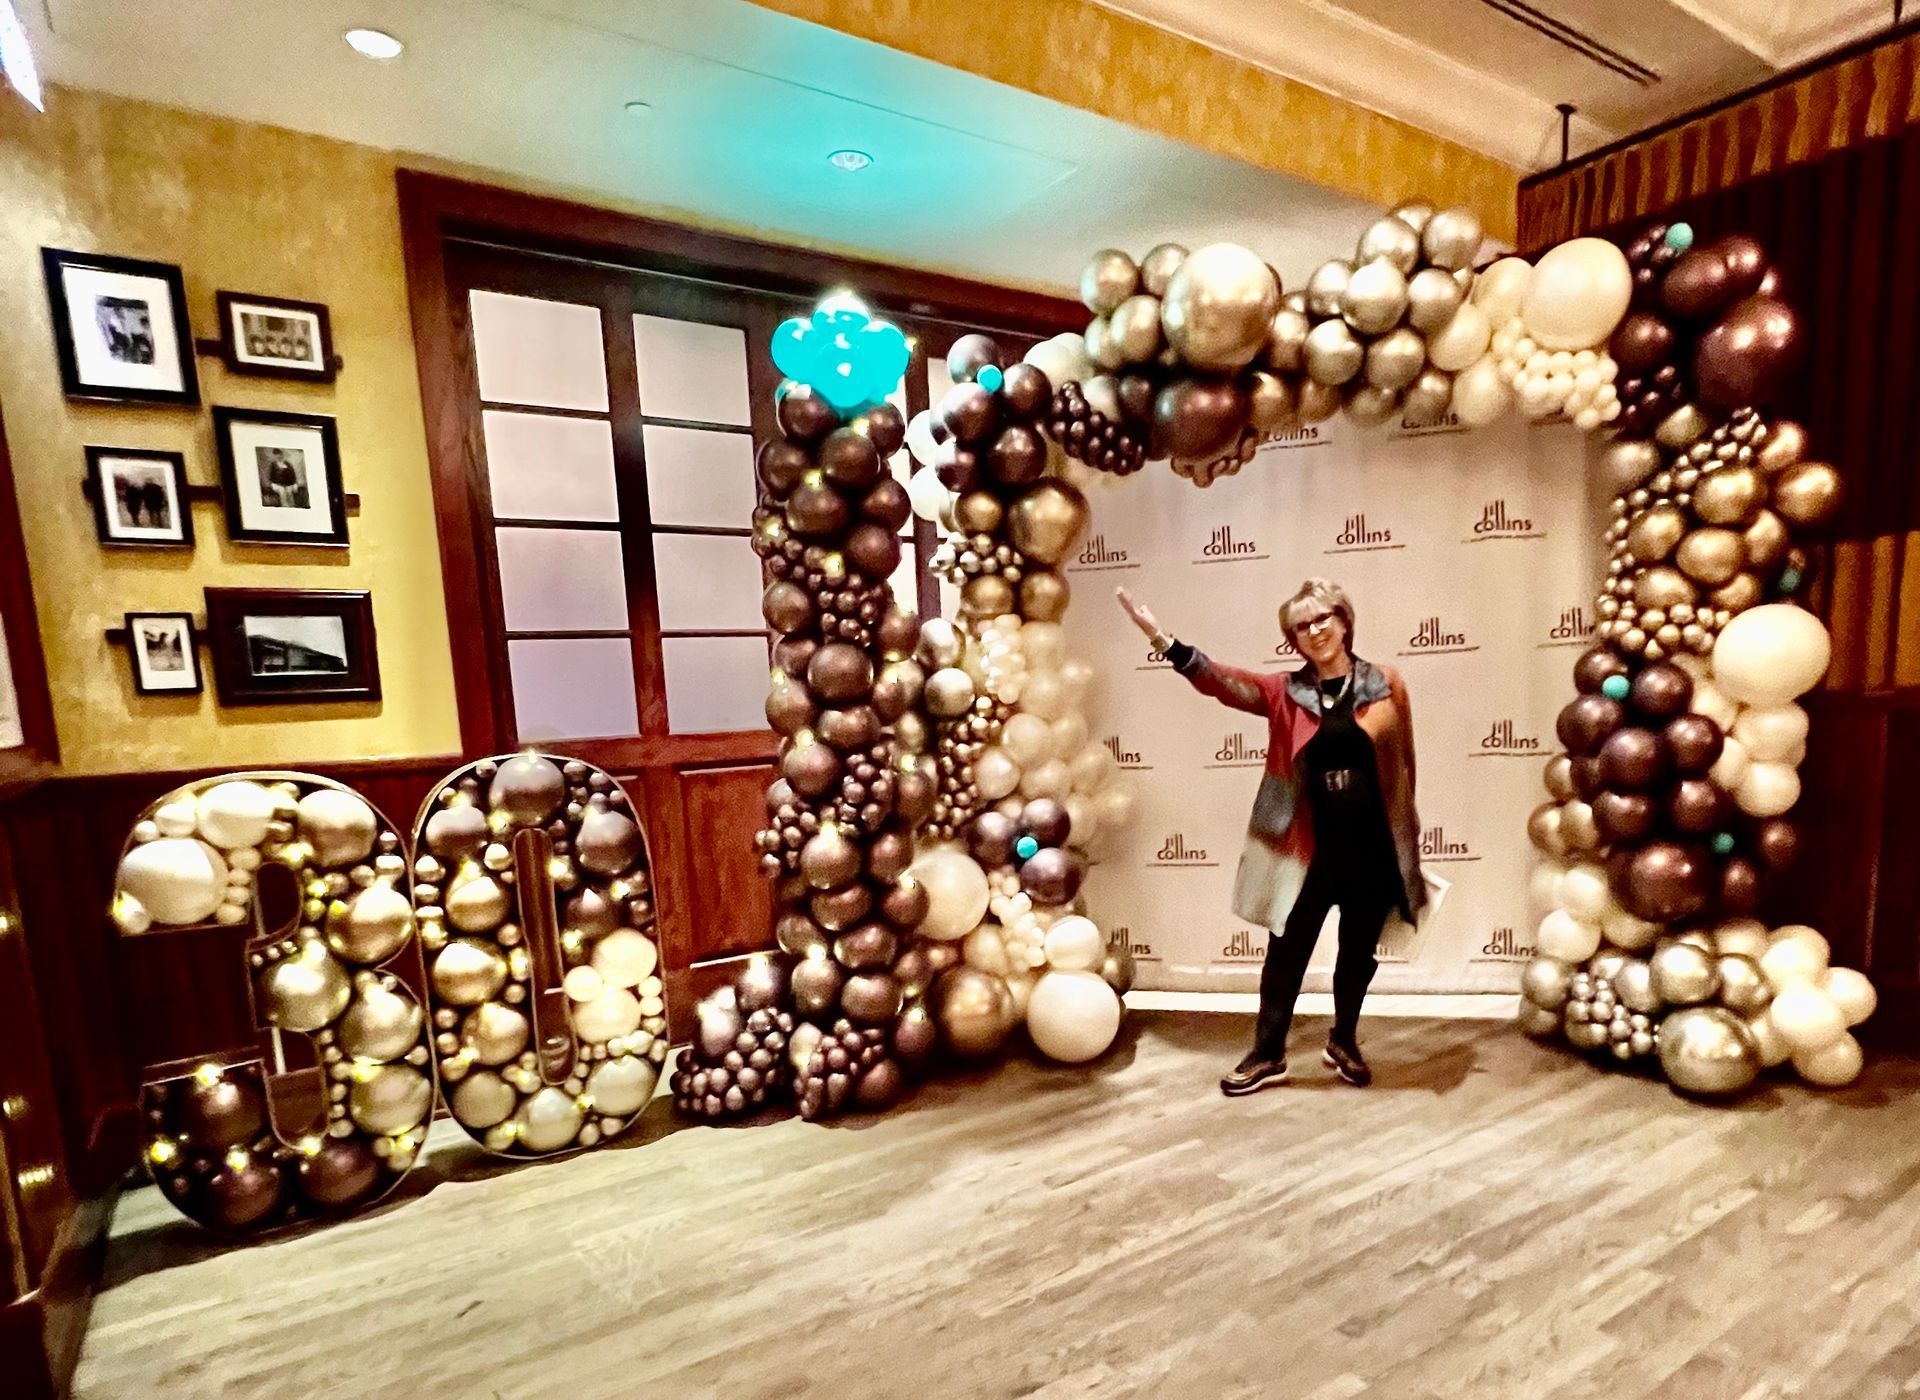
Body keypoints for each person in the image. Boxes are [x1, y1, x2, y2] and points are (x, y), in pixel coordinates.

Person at [1117, 580, 1424, 1094]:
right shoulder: (1287, 692)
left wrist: (1406, 835)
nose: (1315, 631)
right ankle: (1268, 1053)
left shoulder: (1387, 684)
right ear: (1294, 640)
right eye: (1302, 626)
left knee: (1357, 956)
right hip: (1308, 851)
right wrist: (1164, 641)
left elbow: (1405, 764)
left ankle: (1344, 1041)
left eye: (1323, 618)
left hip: (1371, 848)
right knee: (1286, 956)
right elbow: (1222, 682)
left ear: (1345, 621)